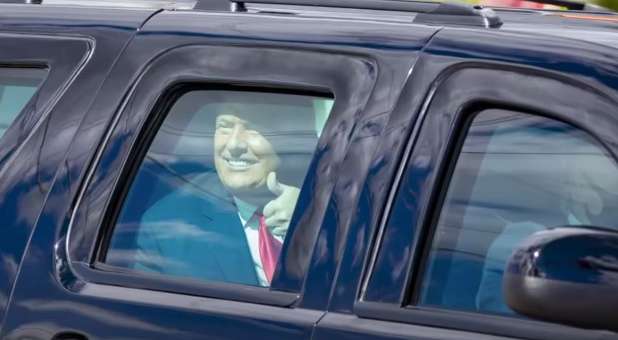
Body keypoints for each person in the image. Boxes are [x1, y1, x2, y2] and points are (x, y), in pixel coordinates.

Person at [131, 91, 318, 286]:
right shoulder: (169, 225)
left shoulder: (335, 201)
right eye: (225, 127)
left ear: (295, 139)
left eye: (253, 127)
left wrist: (312, 221)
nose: (234, 144)